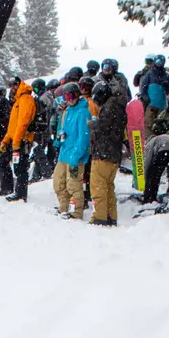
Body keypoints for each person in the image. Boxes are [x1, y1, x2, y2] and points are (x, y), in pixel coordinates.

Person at [88, 76, 127, 226]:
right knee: (109, 186)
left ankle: (100, 217)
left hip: (103, 152)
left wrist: (93, 125)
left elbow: (103, 127)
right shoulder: (118, 106)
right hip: (114, 153)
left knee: (98, 186)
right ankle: (111, 216)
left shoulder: (109, 107)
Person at [52, 80, 91, 219]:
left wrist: (76, 156)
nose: (67, 100)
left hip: (75, 156)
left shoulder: (83, 113)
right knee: (58, 183)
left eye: (69, 97)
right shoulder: (67, 112)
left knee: (73, 185)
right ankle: (63, 208)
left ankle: (76, 212)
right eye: (65, 98)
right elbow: (62, 129)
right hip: (64, 153)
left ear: (76, 95)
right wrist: (59, 138)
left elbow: (84, 138)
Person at [0, 76, 36, 202]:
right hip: (14, 138)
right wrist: (6, 139)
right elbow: (13, 125)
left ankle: (21, 193)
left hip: (22, 139)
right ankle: (8, 188)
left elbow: (23, 122)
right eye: (11, 85)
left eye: (14, 85)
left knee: (20, 167)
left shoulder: (26, 99)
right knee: (3, 161)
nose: (12, 88)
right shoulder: (18, 100)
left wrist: (16, 141)